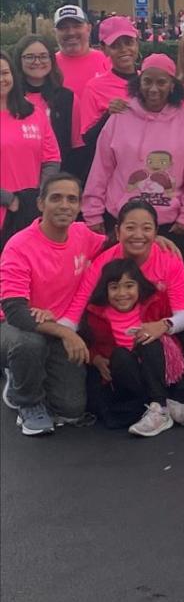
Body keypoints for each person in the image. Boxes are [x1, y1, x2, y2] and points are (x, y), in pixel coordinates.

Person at [82, 56, 184, 283]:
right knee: (121, 291)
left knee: (170, 295)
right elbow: (101, 167)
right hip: (122, 222)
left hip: (170, 225)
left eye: (161, 83)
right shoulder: (119, 117)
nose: (153, 89)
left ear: (172, 85)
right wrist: (92, 211)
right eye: (147, 81)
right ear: (139, 82)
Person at [0, 174, 106, 436]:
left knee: (71, 409)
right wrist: (66, 332)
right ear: (40, 204)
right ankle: (25, 399)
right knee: (29, 344)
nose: (64, 205)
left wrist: (158, 241)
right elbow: (15, 313)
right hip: (13, 327)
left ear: (80, 207)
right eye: (56, 198)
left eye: (72, 199)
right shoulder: (19, 246)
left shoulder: (83, 235)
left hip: (56, 327)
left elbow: (118, 247)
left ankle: (32, 373)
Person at [66, 197, 184, 381]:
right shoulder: (103, 263)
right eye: (130, 228)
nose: (138, 235)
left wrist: (163, 326)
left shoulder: (169, 260)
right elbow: (77, 308)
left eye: (146, 228)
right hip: (115, 337)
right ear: (118, 231)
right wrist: (68, 338)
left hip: (156, 332)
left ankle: (178, 370)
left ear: (155, 232)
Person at [79, 256, 184, 436]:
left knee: (148, 338)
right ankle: (164, 405)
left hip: (155, 366)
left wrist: (163, 327)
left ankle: (158, 406)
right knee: (120, 355)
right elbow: (88, 343)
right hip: (123, 374)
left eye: (129, 286)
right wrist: (94, 358)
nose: (122, 293)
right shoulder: (96, 313)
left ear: (139, 286)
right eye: (114, 287)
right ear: (106, 290)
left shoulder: (155, 303)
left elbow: (173, 330)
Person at [0, 51, 59, 245]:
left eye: (4, 73)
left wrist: (39, 198)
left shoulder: (33, 112)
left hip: (30, 213)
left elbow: (51, 159)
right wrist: (9, 199)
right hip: (7, 207)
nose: (2, 79)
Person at [12, 34, 77, 163]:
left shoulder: (67, 98)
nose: (37, 62)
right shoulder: (10, 98)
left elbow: (76, 146)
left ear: (51, 60)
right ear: (19, 61)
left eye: (43, 56)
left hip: (59, 174)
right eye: (30, 57)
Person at [76, 15, 142, 136]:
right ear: (104, 49)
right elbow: (87, 138)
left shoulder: (149, 82)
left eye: (128, 43)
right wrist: (108, 115)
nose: (124, 49)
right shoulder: (94, 88)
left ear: (137, 44)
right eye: (115, 46)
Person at [51, 4, 108, 99]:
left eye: (77, 26)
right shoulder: (48, 65)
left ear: (89, 28)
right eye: (63, 28)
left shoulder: (106, 61)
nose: (71, 32)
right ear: (55, 33)